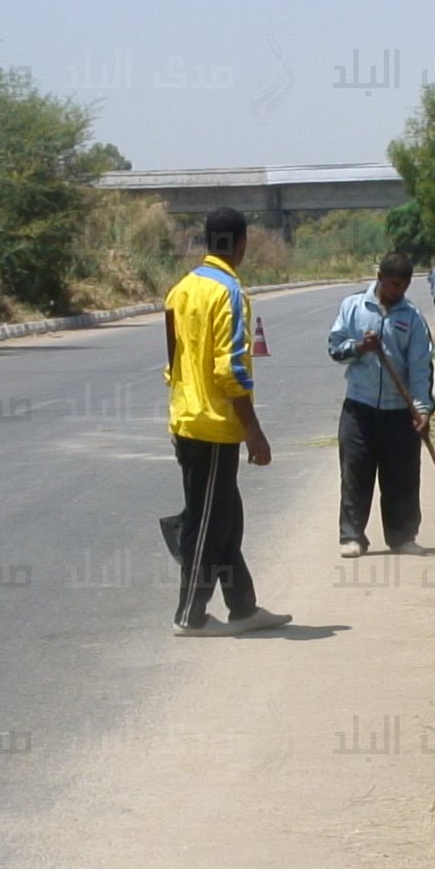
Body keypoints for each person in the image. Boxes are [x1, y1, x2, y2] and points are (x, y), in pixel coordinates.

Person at [164, 208, 292, 637]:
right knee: (206, 523)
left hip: (186, 419)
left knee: (225, 518)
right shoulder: (230, 293)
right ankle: (190, 615)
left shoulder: (181, 290)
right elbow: (230, 370)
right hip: (214, 426)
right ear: (241, 243)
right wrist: (253, 431)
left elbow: (172, 360)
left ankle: (243, 607)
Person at [327, 251, 435, 558]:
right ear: (379, 279)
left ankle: (402, 538)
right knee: (355, 473)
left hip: (399, 411)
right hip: (359, 408)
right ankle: (352, 536)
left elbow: (421, 368)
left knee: (402, 476)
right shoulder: (353, 307)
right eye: (392, 284)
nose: (397, 291)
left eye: (403, 286)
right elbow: (335, 349)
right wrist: (360, 346)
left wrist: (422, 410)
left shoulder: (412, 318)